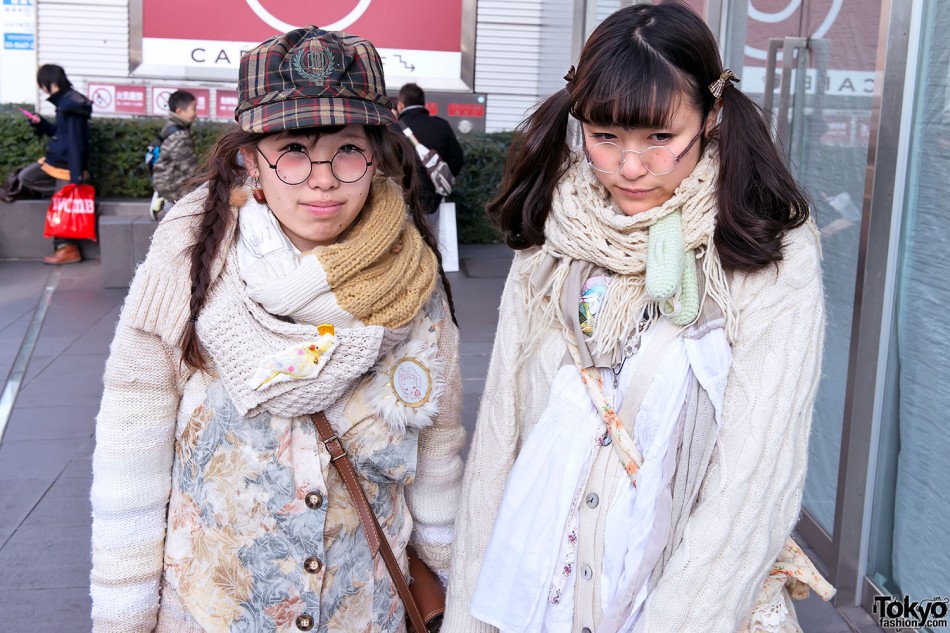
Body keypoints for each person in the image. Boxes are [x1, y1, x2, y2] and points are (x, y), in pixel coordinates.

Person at [445, 3, 832, 632]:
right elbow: (504, 429)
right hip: (542, 582)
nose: (630, 166)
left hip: (688, 596)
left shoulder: (764, 250)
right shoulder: (557, 232)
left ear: (712, 118)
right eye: (605, 137)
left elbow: (756, 478)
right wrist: (470, 611)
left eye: (660, 138)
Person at [90, 26, 465, 632]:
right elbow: (131, 447)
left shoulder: (412, 280)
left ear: (376, 154)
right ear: (251, 159)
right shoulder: (190, 261)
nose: (322, 177)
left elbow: (438, 449)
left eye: (347, 148)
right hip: (213, 612)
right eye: (292, 148)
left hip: (366, 611)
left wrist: (454, 586)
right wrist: (123, 616)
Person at [3, 64, 93, 264]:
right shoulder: (66, 103)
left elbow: (76, 140)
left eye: (42, 84)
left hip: (66, 166)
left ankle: (68, 250)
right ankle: (65, 246)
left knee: (62, 207)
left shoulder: (71, 105)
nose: (41, 89)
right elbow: (61, 135)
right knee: (27, 177)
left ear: (51, 83)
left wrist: (76, 175)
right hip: (57, 161)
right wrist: (40, 123)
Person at [394, 83, 464, 226]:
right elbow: (457, 158)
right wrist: (440, 177)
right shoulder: (441, 125)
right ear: (423, 103)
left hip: (401, 199)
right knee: (431, 239)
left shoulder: (393, 129)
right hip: (433, 198)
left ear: (401, 105)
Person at [150, 89, 200, 217]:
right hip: (174, 190)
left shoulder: (171, 125)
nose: (195, 113)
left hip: (167, 185)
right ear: (179, 111)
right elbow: (190, 169)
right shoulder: (179, 135)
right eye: (193, 109)